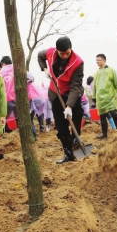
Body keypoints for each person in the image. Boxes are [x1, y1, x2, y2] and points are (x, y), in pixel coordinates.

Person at [38, 36, 84, 164]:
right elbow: (40, 56)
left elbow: (76, 86)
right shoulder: (50, 52)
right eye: (61, 53)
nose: (64, 56)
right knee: (61, 125)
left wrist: (69, 106)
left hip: (71, 93)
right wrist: (44, 69)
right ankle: (68, 153)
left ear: (71, 49)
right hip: (56, 93)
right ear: (57, 51)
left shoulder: (78, 62)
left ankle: (76, 142)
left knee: (75, 119)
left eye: (67, 53)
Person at [92, 54, 117, 138]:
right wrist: (94, 97)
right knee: (102, 117)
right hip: (100, 98)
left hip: (110, 97)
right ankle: (104, 133)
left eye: (99, 60)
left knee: (114, 114)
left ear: (104, 60)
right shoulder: (97, 73)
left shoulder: (111, 70)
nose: (97, 62)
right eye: (96, 60)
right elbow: (95, 86)